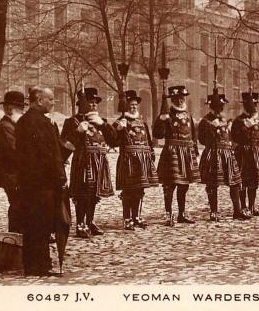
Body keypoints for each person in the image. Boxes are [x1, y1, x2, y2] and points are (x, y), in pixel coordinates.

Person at [15, 87, 71, 277]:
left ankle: (34, 264)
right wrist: (60, 179)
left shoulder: (24, 121)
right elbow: (51, 156)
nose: (53, 102)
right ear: (39, 100)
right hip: (44, 184)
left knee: (33, 225)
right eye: (51, 99)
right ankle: (39, 266)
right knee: (42, 225)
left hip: (29, 183)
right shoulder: (42, 123)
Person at [63, 88, 115, 238]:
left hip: (100, 162)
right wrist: (78, 132)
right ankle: (80, 224)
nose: (93, 106)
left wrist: (104, 125)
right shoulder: (72, 121)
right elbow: (64, 142)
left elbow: (114, 140)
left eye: (95, 103)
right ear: (81, 104)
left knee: (94, 194)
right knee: (82, 194)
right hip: (83, 161)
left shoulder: (100, 121)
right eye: (90, 103)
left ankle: (90, 221)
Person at [198, 89, 249, 221]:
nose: (220, 110)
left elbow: (230, 137)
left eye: (221, 107)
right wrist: (212, 129)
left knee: (235, 182)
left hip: (227, 153)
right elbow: (202, 139)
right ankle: (214, 211)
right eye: (218, 107)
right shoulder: (205, 121)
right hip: (213, 153)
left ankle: (237, 210)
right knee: (212, 183)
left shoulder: (225, 120)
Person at [110, 90, 159, 230]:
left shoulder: (142, 122)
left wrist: (151, 154)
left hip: (142, 161)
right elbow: (113, 142)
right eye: (131, 105)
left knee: (139, 189)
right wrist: (119, 129)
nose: (133, 107)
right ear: (126, 106)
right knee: (128, 191)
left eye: (135, 105)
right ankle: (127, 218)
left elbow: (148, 141)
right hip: (128, 160)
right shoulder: (120, 122)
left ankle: (136, 216)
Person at [154, 85, 200, 225]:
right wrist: (161, 120)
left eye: (182, 98)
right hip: (171, 152)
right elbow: (158, 134)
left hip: (186, 152)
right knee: (169, 185)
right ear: (172, 99)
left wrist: (195, 151)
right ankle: (168, 214)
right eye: (176, 98)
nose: (180, 100)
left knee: (184, 185)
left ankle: (181, 213)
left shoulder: (188, 115)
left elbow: (193, 134)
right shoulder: (167, 115)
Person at [231, 91, 259, 217]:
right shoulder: (238, 121)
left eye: (255, 104)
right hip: (244, 154)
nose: (254, 106)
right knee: (243, 180)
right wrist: (246, 126)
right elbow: (235, 137)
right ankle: (243, 207)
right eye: (251, 104)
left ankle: (252, 206)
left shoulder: (258, 121)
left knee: (254, 181)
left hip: (257, 154)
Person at [0, 90, 27, 233]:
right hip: (11, 174)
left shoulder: (13, 125)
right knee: (17, 205)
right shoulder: (5, 126)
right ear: (10, 109)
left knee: (20, 205)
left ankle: (19, 234)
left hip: (15, 173)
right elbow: (14, 151)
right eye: (20, 109)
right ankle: (15, 236)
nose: (23, 112)